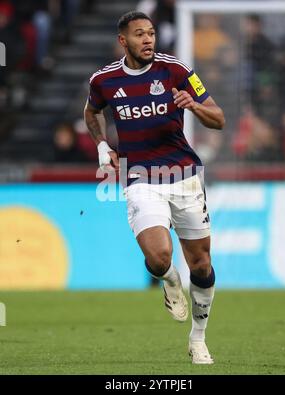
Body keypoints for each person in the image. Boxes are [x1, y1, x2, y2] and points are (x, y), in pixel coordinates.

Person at [84, 11, 225, 364]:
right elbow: (92, 112)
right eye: (139, 35)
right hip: (140, 176)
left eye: (150, 34)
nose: (148, 40)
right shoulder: (104, 80)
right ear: (123, 41)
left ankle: (198, 338)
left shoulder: (175, 70)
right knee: (159, 257)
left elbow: (218, 118)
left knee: (202, 266)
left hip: (184, 176)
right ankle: (169, 280)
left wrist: (192, 105)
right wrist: (103, 146)